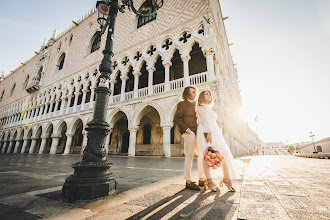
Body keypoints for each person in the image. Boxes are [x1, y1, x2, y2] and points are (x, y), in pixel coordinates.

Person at [196, 90, 240, 192]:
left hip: (215, 132)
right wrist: (209, 133)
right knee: (207, 155)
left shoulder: (208, 108)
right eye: (207, 94)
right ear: (202, 97)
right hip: (206, 132)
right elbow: (204, 121)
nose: (209, 96)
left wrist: (213, 132)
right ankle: (209, 181)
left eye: (210, 94)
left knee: (222, 153)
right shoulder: (200, 107)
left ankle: (226, 178)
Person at [174, 86, 206, 190]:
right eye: (193, 92)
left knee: (201, 154)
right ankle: (188, 181)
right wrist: (187, 130)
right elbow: (177, 119)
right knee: (190, 156)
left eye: (195, 92)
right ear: (187, 93)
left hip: (196, 132)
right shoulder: (182, 104)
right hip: (189, 133)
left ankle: (201, 178)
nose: (195, 94)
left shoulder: (194, 105)